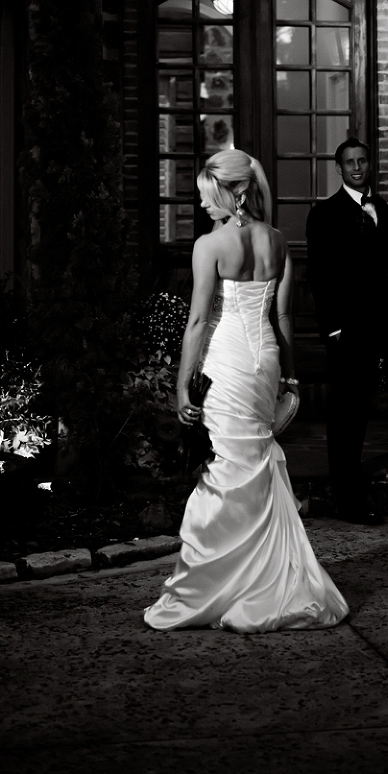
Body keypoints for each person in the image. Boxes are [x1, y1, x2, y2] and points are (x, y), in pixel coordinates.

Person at [144, 149, 348, 633]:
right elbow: (282, 320)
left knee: (227, 470)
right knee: (253, 464)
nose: (202, 206)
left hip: (228, 358)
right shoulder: (277, 241)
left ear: (235, 193)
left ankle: (217, 586)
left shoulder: (210, 246)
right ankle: (263, 581)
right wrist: (291, 378)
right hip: (264, 365)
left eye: (208, 196)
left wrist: (180, 388)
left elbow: (197, 321)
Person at [305, 138, 388, 526]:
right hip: (344, 329)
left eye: (362, 161)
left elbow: (384, 270)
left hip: (376, 325)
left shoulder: (382, 208)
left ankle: (357, 491)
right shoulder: (324, 214)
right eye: (349, 163)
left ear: (369, 164)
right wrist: (333, 328)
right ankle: (350, 501)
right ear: (338, 169)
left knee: (362, 411)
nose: (356, 168)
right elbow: (319, 276)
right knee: (344, 416)